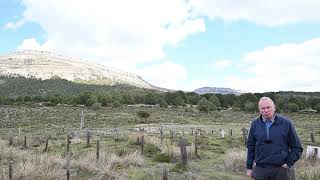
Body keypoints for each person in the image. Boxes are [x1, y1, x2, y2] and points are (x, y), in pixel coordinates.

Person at [246, 97, 303, 180]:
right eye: (263, 108)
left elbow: (297, 148)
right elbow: (251, 147)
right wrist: (249, 167)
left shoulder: (285, 123)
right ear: (259, 110)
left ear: (274, 108)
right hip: (260, 169)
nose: (266, 110)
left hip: (281, 170)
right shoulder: (255, 124)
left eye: (268, 107)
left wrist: (288, 163)